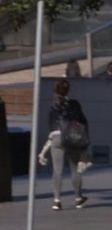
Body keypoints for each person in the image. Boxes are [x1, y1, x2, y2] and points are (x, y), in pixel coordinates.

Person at [39, 79, 90, 210]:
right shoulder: (74, 104)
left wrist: (45, 149)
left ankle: (56, 200)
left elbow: (51, 126)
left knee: (57, 170)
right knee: (75, 169)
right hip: (71, 137)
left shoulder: (52, 106)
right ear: (68, 90)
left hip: (56, 138)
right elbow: (83, 121)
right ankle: (78, 198)